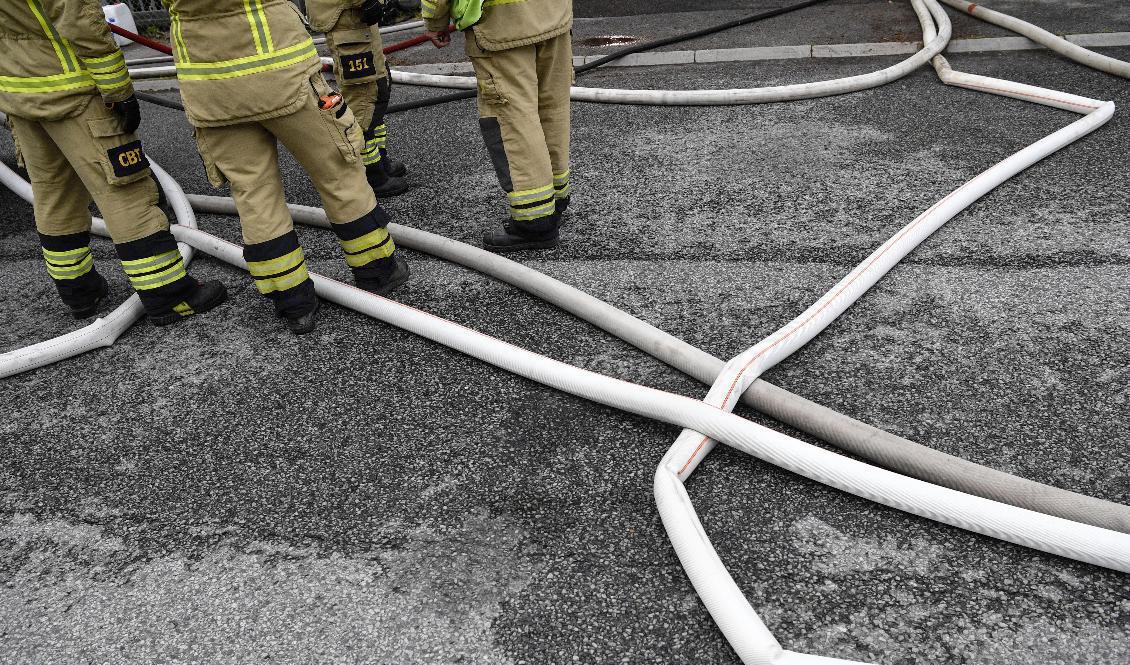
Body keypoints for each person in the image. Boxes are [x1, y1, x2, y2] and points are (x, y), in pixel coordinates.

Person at [162, 0, 410, 334]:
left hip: (208, 87)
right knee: (338, 169)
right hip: (283, 71)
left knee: (253, 192)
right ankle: (378, 270)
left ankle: (293, 303)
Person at [0, 0, 226, 325]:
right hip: (73, 91)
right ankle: (170, 296)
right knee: (126, 192)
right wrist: (118, 89)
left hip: (19, 97)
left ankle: (79, 293)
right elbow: (80, 19)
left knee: (54, 194)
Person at [422, 0, 573, 252]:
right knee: (552, 108)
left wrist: (435, 21)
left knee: (513, 118)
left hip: (501, 26)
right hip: (554, 13)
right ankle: (555, 200)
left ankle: (535, 222)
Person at [304, 0, 410, 197]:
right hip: (349, 19)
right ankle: (372, 174)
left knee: (377, 93)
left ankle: (380, 161)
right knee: (363, 100)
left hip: (356, 18)